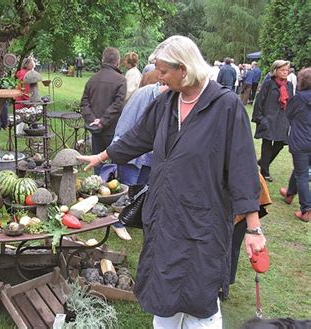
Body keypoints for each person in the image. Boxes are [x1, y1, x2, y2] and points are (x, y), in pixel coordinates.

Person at [78, 35, 266, 329]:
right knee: (163, 292)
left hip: (203, 222)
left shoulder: (225, 106)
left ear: (185, 68)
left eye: (164, 71)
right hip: (165, 216)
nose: (159, 77)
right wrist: (101, 156)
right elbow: (138, 137)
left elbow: (242, 169)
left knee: (198, 298)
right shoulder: (166, 102)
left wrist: (253, 228)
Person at [80, 47, 126, 175]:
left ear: (102, 60)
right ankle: (112, 192)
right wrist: (102, 121)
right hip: (112, 129)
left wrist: (93, 120)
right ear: (118, 61)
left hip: (96, 130)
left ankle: (99, 190)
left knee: (97, 164)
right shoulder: (121, 80)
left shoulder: (92, 79)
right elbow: (118, 104)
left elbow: (84, 103)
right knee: (115, 164)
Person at [252, 60, 293, 182]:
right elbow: (260, 100)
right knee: (267, 143)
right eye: (282, 70)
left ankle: (262, 163)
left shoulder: (289, 85)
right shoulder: (268, 83)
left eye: (287, 70)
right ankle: (265, 172)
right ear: (275, 71)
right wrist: (260, 118)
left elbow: (291, 101)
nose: (285, 72)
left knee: (280, 143)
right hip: (268, 118)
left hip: (282, 119)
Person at [280, 67, 311, 222]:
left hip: (301, 140)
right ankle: (290, 193)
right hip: (305, 139)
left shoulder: (298, 98)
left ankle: (306, 210)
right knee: (301, 170)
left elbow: (288, 114)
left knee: (302, 174)